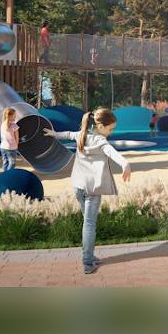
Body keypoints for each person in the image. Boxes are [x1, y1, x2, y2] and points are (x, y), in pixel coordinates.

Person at [44, 108, 131, 275]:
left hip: (78, 186)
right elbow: (113, 153)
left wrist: (53, 134)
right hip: (92, 190)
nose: (111, 132)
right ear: (100, 126)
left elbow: (68, 134)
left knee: (87, 223)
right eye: (110, 129)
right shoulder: (101, 142)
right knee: (89, 224)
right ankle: (87, 262)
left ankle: (89, 255)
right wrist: (125, 164)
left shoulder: (81, 135)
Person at [0, 107, 19, 171]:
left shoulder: (2, 124)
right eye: (14, 115)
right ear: (11, 116)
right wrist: (16, 145)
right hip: (11, 148)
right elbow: (17, 137)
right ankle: (8, 175)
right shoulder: (14, 125)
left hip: (3, 147)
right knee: (12, 163)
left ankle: (4, 175)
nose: (15, 116)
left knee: (5, 162)